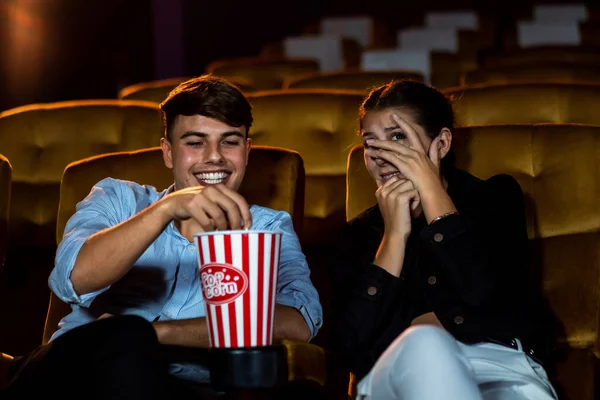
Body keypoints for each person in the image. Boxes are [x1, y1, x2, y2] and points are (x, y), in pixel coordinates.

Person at [2, 75, 323, 399]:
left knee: (132, 348)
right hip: (72, 375)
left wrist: (154, 334)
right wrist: (165, 210)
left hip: (179, 386)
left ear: (247, 150)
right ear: (168, 152)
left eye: (230, 141)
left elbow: (300, 321)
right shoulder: (117, 198)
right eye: (195, 142)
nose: (214, 156)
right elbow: (73, 279)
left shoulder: (267, 227)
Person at [329, 80, 558, 400]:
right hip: (398, 376)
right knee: (426, 344)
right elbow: (349, 348)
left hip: (501, 366)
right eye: (371, 143)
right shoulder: (358, 233)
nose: (381, 155)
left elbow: (484, 290)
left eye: (398, 137)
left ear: (442, 143)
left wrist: (429, 188)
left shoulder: (493, 197)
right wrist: (394, 235)